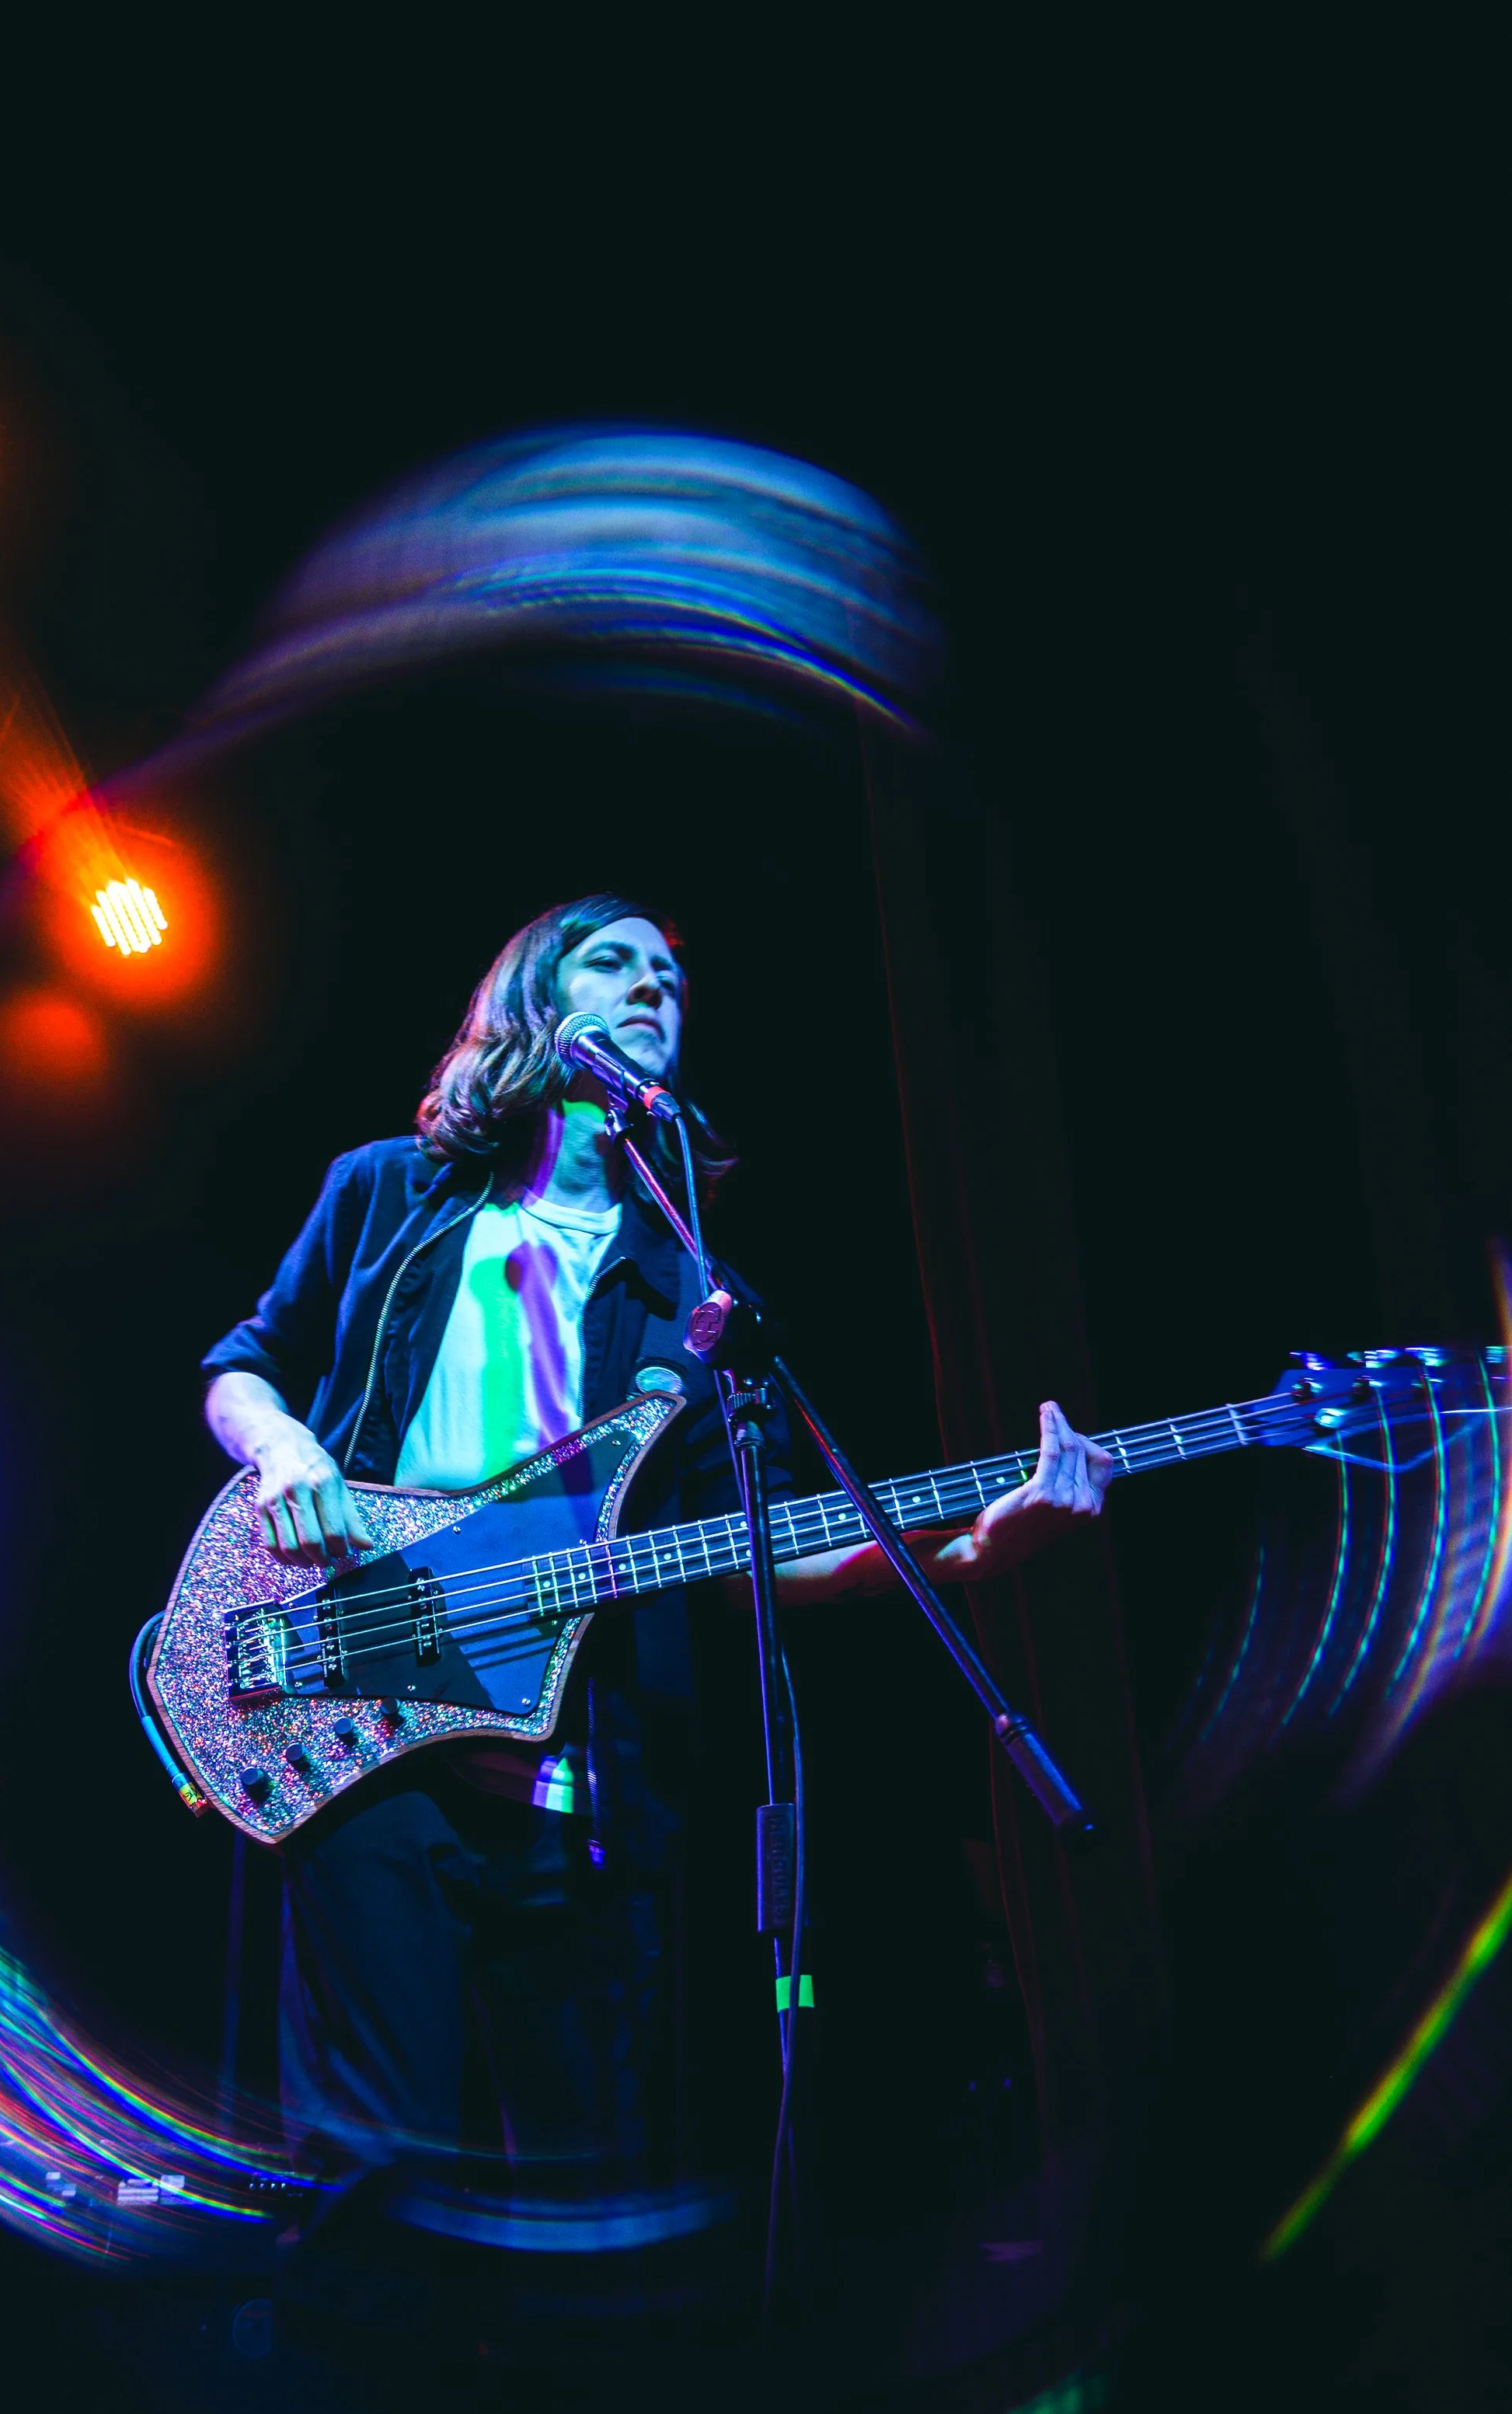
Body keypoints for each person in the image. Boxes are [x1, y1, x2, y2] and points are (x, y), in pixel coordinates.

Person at [203, 893, 1111, 2173]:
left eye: (669, 980)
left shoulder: (702, 1293)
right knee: (370, 2164)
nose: (650, 989)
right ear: (532, 999)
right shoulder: (389, 1195)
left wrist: (975, 1551)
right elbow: (242, 1366)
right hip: (369, 1727)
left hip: (587, 1768)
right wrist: (288, 1444)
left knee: (591, 2179)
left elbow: (763, 1551)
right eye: (612, 963)